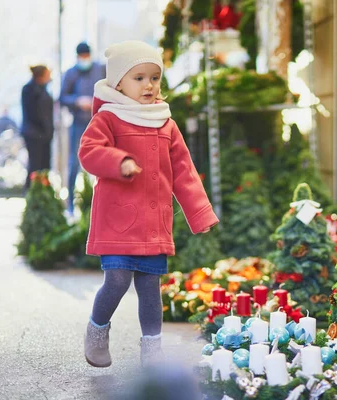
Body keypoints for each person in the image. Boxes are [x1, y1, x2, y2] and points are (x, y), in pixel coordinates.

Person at [79, 41, 219, 368]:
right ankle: (97, 331)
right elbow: (88, 152)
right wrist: (120, 161)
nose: (148, 85)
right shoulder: (108, 118)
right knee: (116, 280)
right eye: (139, 78)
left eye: (154, 78)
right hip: (117, 220)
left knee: (150, 288)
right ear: (118, 84)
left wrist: (201, 214)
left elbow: (183, 171)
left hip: (154, 222)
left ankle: (152, 351)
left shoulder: (165, 122)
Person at [60, 42, 105, 213]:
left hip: (99, 122)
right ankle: (70, 204)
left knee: (101, 160)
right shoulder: (71, 73)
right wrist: (77, 101)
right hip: (78, 122)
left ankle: (99, 203)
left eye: (87, 56)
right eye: (82, 57)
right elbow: (63, 97)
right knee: (74, 162)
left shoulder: (100, 69)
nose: (84, 59)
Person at [21, 65, 53, 189]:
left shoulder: (44, 89)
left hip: (45, 135)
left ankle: (43, 194)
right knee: (35, 165)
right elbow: (35, 113)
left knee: (45, 165)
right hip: (34, 134)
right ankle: (32, 193)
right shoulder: (29, 90)